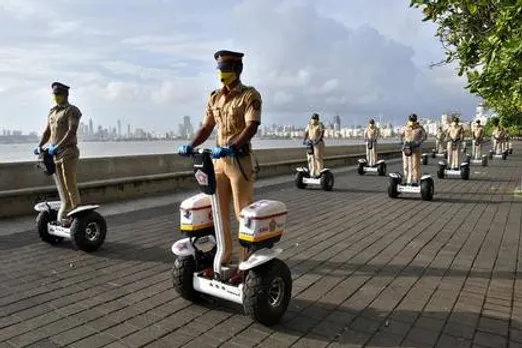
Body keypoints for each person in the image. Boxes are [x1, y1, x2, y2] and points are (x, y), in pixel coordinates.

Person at [178, 50, 262, 264]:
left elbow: (251, 127)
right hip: (218, 162)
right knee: (218, 212)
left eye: (225, 69)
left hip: (239, 161)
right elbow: (207, 127)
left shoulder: (249, 95)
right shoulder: (215, 97)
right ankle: (224, 254)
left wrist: (232, 146)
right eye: (219, 70)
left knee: (242, 212)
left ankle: (247, 258)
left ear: (236, 70)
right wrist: (190, 145)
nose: (221, 74)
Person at [34, 82, 82, 226]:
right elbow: (47, 132)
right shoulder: (52, 112)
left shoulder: (72, 111)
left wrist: (57, 146)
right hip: (55, 155)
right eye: (54, 94)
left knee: (69, 184)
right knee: (61, 186)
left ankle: (77, 213)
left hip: (68, 152)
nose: (56, 97)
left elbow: (71, 130)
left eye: (59, 94)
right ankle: (67, 211)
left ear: (66, 95)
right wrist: (40, 145)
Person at [400, 114, 426, 185]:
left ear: (416, 120)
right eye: (411, 120)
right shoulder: (405, 127)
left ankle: (415, 179)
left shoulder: (420, 128)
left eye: (413, 120)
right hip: (406, 148)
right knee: (406, 165)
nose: (412, 121)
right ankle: (406, 178)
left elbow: (424, 136)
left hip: (416, 148)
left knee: (415, 165)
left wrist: (418, 142)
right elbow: (401, 135)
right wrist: (403, 142)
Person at [303, 113, 325, 177]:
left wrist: (317, 140)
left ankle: (319, 172)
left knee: (318, 158)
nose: (314, 120)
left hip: (318, 143)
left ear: (318, 119)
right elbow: (306, 132)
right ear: (311, 119)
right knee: (310, 158)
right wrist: (304, 140)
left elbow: (321, 134)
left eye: (315, 119)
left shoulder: (320, 124)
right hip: (310, 143)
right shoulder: (309, 124)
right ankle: (312, 172)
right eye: (313, 118)